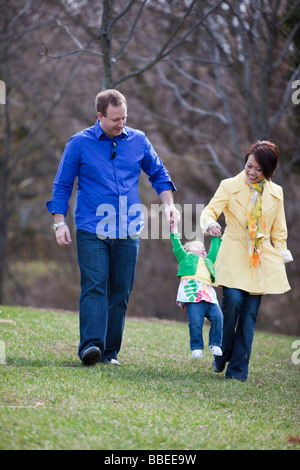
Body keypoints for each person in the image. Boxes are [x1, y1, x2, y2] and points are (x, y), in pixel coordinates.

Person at [46, 89, 179, 366]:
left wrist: (168, 205)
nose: (121, 124)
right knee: (94, 286)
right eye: (115, 119)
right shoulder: (79, 143)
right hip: (92, 227)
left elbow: (159, 173)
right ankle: (91, 347)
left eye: (124, 118)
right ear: (100, 116)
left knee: (120, 291)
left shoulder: (139, 140)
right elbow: (62, 185)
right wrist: (59, 222)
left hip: (129, 229)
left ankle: (110, 353)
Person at [200, 140, 293, 381]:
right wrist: (210, 223)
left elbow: (279, 230)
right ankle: (223, 351)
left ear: (268, 171)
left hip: (259, 258)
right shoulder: (229, 185)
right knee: (231, 300)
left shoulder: (276, 193)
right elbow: (210, 210)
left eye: (258, 169)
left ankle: (238, 370)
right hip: (233, 250)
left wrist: (281, 250)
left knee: (250, 312)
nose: (251, 172)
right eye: (249, 165)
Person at [170, 219, 223, 359]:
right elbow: (176, 246)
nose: (203, 248)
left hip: (208, 294)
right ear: (188, 251)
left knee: (218, 317)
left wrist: (215, 237)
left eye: (203, 247)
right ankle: (197, 347)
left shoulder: (208, 260)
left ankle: (215, 343)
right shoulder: (185, 257)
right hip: (192, 293)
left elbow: (214, 249)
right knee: (195, 322)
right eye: (198, 247)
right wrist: (173, 228)